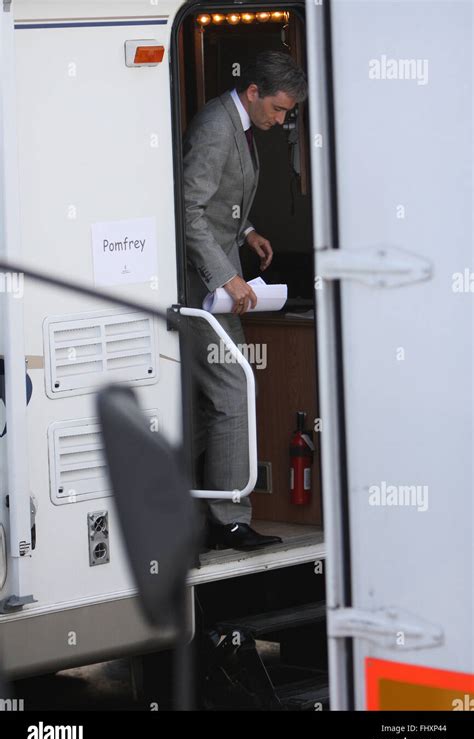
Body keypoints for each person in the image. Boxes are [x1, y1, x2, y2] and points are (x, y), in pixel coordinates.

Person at [183, 51, 308, 550]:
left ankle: (189, 508)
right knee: (234, 388)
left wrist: (248, 230)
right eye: (278, 110)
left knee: (205, 401)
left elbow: (217, 204)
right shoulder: (217, 126)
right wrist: (226, 277)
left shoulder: (239, 123)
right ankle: (229, 518)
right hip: (203, 286)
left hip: (216, 278)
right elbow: (188, 208)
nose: (281, 121)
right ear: (253, 91)